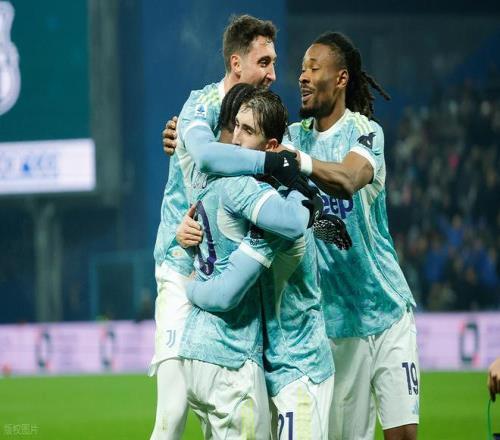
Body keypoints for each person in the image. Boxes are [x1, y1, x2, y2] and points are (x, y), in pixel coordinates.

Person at [150, 15, 301, 440]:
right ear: (236, 63)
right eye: (264, 62)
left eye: (274, 63)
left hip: (231, 275)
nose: (273, 74)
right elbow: (207, 157)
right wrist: (272, 161)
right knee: (172, 412)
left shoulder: (264, 116)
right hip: (182, 265)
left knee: (221, 415)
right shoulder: (200, 106)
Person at [180, 86, 351, 439]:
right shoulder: (262, 196)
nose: (235, 139)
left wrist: (190, 288)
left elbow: (291, 224)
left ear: (271, 146)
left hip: (299, 365)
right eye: (236, 127)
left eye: (247, 130)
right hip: (266, 365)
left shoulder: (278, 207)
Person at [284, 32, 419, 440]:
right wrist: (183, 138)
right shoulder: (292, 137)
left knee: (404, 435)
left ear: (341, 78)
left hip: (387, 310)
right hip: (336, 326)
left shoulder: (365, 133)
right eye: (302, 69)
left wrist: (299, 163)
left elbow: (347, 179)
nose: (303, 77)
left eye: (313, 68)